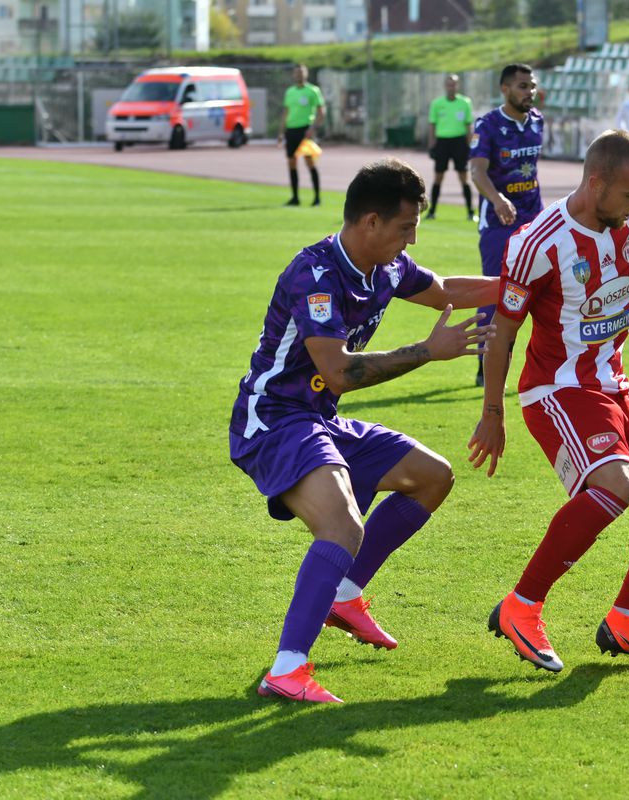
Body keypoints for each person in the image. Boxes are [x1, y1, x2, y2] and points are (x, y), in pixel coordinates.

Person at [229, 159, 498, 703]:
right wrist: (426, 352)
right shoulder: (316, 274)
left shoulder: (386, 268)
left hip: (320, 419)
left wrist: (523, 287)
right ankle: (286, 670)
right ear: (370, 222)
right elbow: (338, 372)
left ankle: (344, 597)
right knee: (342, 528)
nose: (411, 240)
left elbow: (444, 289)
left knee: (432, 477)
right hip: (276, 420)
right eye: (405, 229)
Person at [468, 130, 629, 672]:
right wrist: (493, 413)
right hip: (558, 390)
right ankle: (521, 607)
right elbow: (503, 331)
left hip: (614, 383)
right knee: (616, 483)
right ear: (596, 183)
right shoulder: (538, 242)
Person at [469, 63, 544, 387]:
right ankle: (486, 364)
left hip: (533, 220)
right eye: (523, 86)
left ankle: (547, 364)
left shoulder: (537, 122)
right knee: (497, 291)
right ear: (505, 89)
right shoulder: (487, 125)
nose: (530, 91)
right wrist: (498, 200)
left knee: (540, 290)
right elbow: (477, 172)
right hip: (499, 222)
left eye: (532, 85)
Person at [426, 74, 477, 222]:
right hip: (442, 142)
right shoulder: (437, 104)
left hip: (459, 142)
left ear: (457, 86)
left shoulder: (465, 102)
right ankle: (432, 211)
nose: (451, 87)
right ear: (445, 86)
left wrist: (471, 146)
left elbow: (468, 126)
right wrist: (431, 145)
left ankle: (470, 212)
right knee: (438, 177)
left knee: (463, 177)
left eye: (454, 84)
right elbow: (432, 125)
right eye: (449, 84)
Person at [278, 64, 326, 207]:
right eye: (296, 72)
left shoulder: (313, 90)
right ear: (293, 75)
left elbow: (321, 112)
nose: (299, 75)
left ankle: (317, 198)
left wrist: (313, 128)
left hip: (305, 131)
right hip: (291, 130)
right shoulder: (290, 92)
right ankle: (295, 198)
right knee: (291, 163)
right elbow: (286, 113)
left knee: (309, 162)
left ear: (306, 74)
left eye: (301, 72)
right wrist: (281, 132)